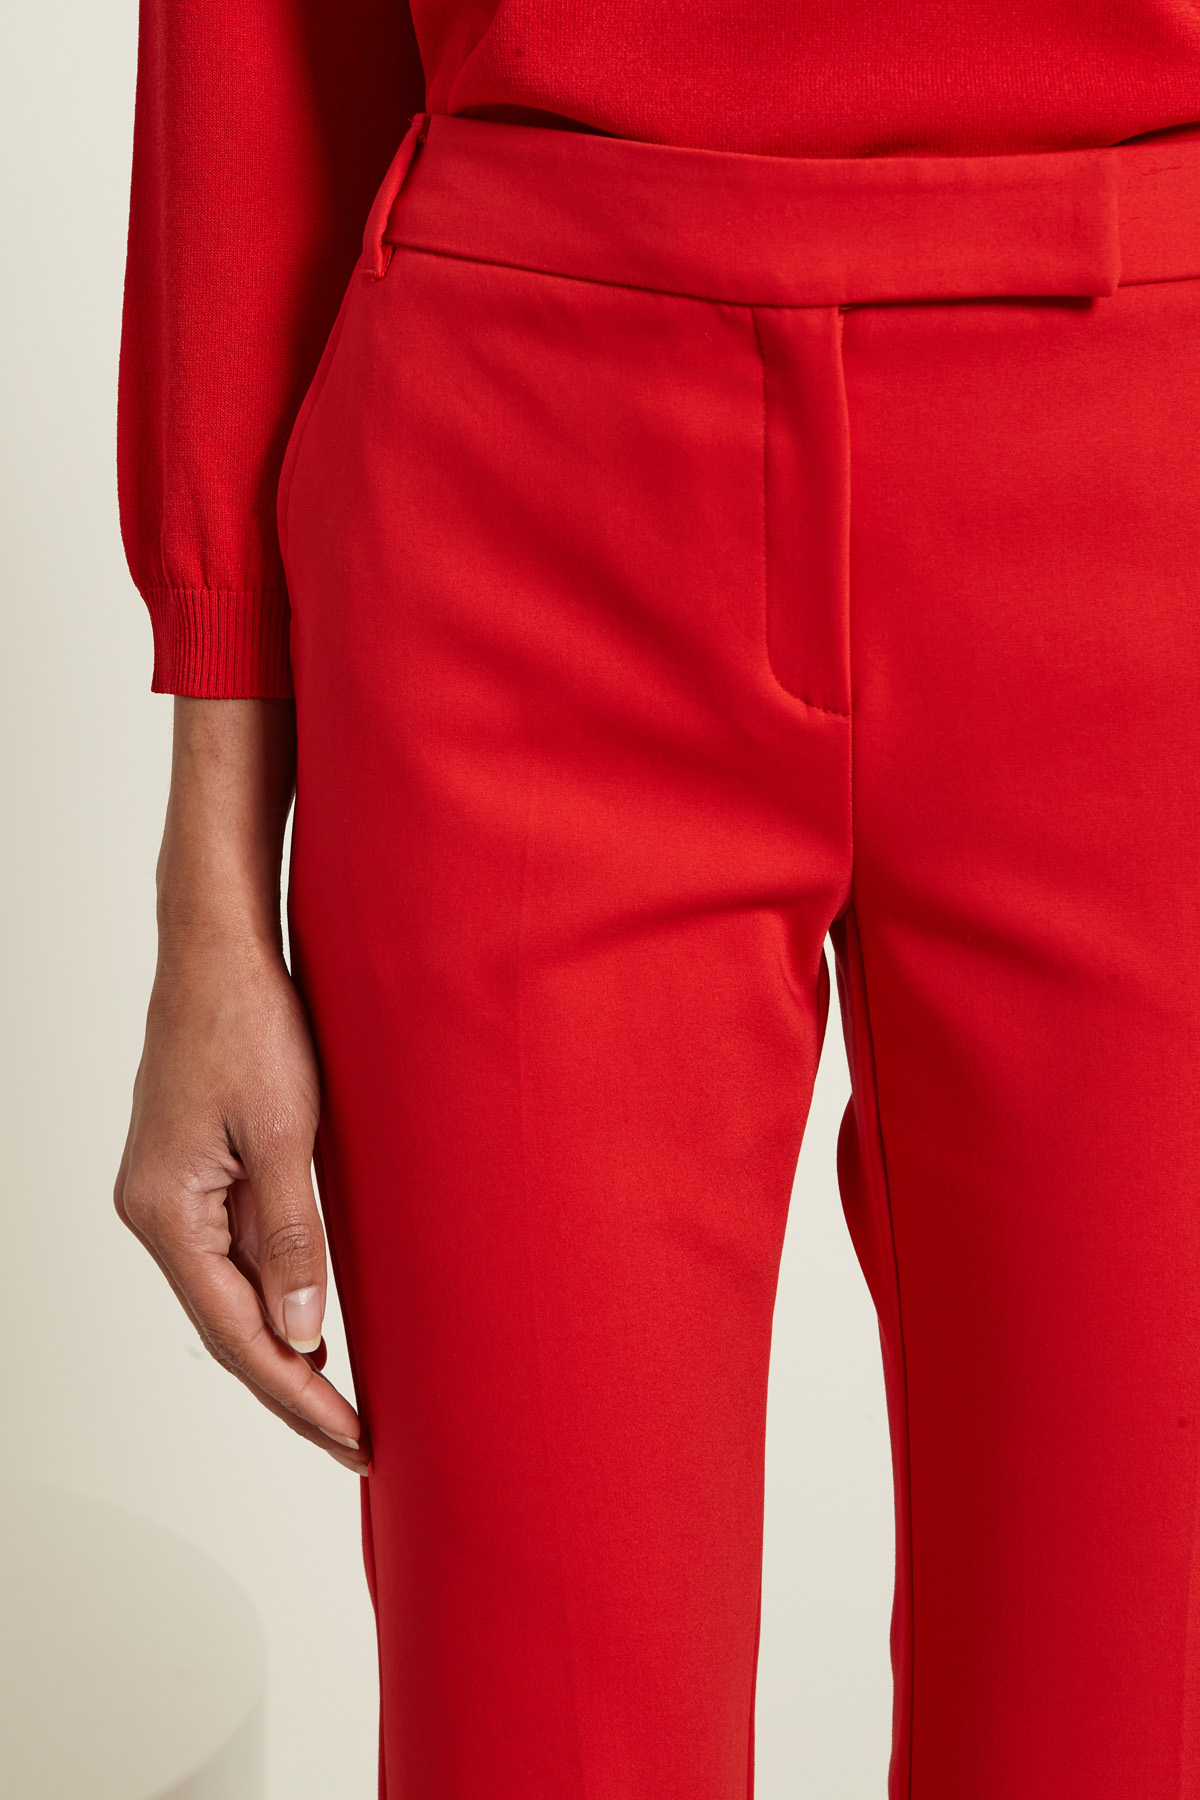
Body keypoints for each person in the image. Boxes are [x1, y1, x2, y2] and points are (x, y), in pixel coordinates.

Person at [112, 4, 1200, 1795]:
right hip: (529, 489)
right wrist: (210, 902)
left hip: (1152, 476)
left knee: (1133, 1713)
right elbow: (255, 44)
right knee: (532, 1734)